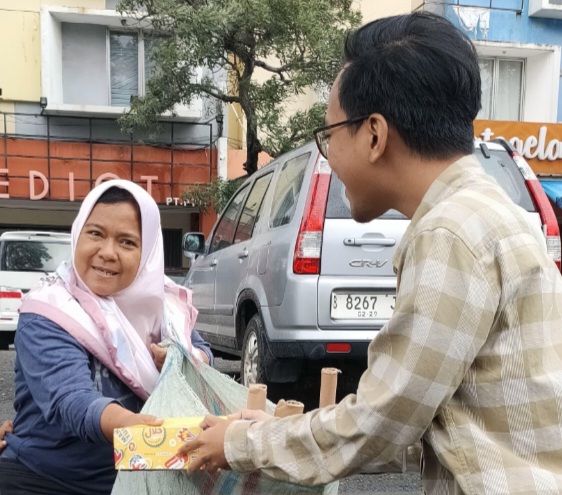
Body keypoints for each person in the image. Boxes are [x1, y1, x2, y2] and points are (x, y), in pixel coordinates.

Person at [177, 11, 562, 494]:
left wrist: (243, 444)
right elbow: (434, 426)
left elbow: (382, 424)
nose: (329, 156)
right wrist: (276, 429)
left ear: (374, 135)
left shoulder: (449, 232)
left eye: (329, 136)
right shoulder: (493, 214)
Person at [0, 180, 212, 495]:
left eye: (127, 242)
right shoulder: (49, 310)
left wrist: (180, 359)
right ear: (78, 235)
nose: (107, 253)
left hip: (141, 479)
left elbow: (202, 352)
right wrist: (138, 427)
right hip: (46, 480)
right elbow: (71, 400)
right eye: (96, 234)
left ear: (147, 253)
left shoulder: (162, 306)